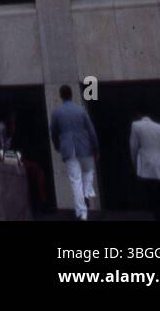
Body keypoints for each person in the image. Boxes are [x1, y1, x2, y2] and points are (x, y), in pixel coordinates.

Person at [50, 85, 99, 220]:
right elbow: (91, 130)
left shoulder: (57, 112)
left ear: (60, 96)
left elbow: (53, 131)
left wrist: (58, 145)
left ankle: (82, 212)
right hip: (85, 147)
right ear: (71, 94)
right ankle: (86, 194)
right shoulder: (81, 110)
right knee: (88, 173)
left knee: (75, 179)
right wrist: (95, 148)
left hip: (68, 148)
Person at [130, 111, 160, 222]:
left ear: (139, 116)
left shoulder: (136, 125)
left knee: (152, 197)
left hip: (146, 167)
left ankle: (157, 217)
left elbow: (133, 148)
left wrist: (135, 166)